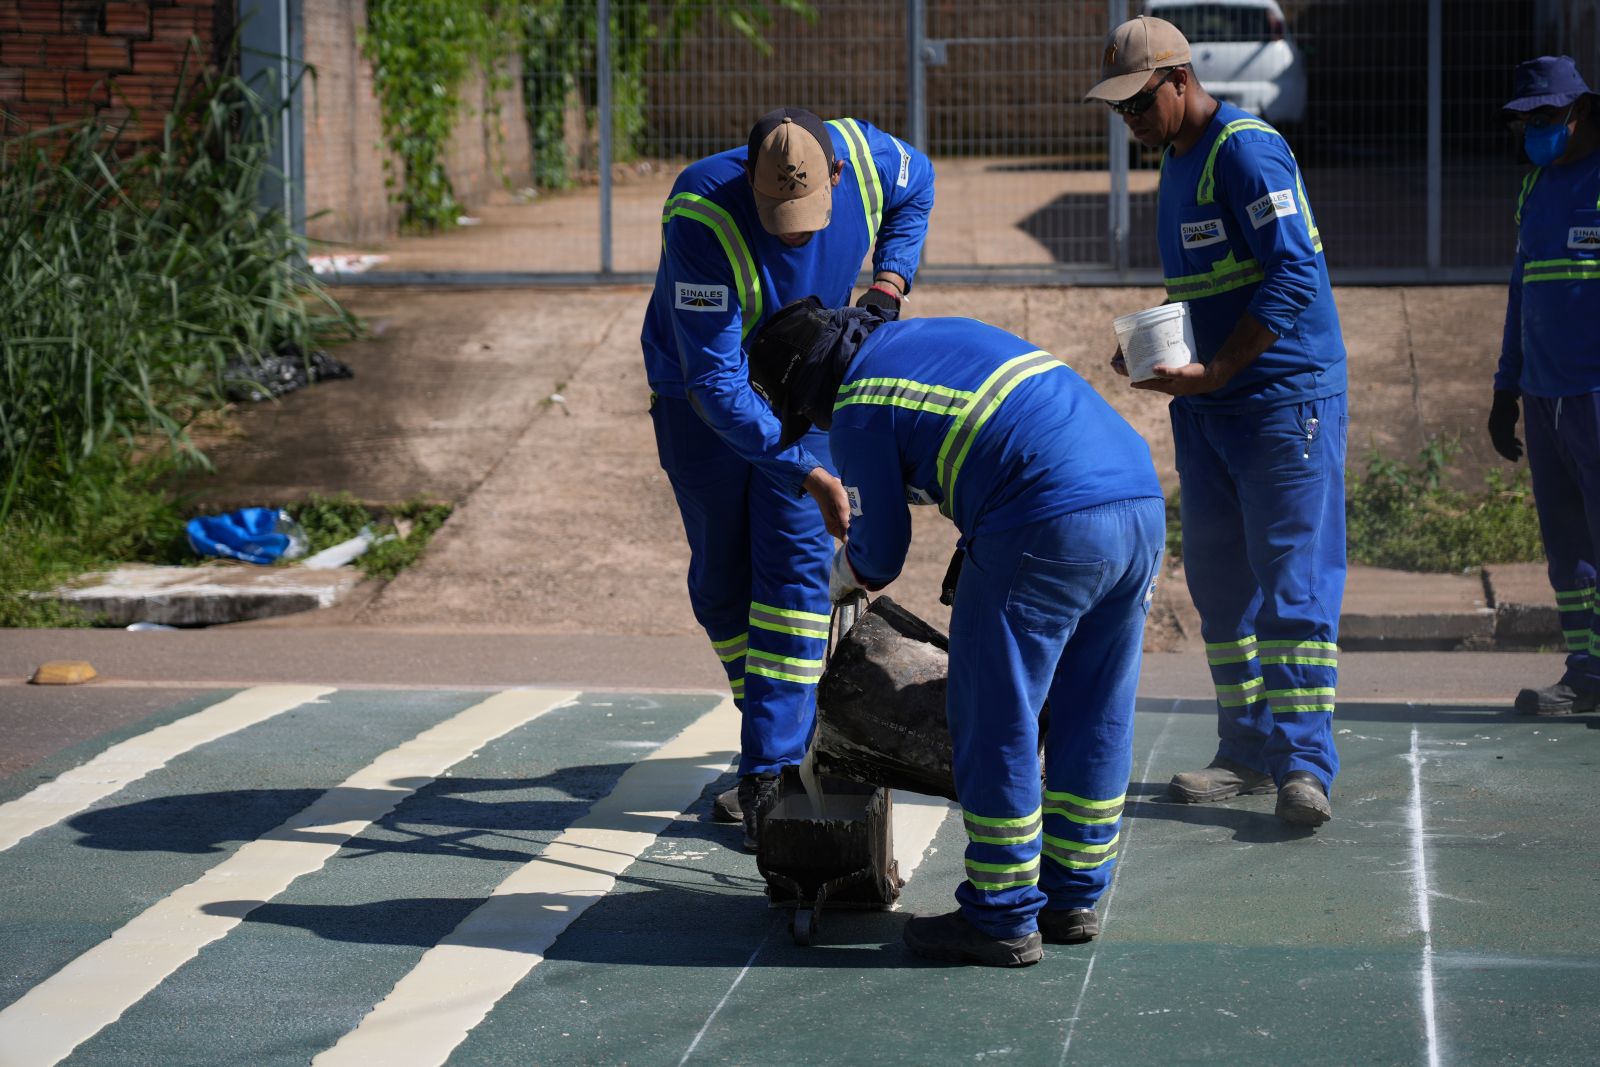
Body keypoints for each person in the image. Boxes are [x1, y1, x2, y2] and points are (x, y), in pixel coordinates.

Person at [747, 299, 1165, 968]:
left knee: (995, 716)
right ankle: (1072, 895)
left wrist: (840, 576)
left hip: (1044, 517)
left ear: (808, 383)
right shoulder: (931, 338)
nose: (822, 423)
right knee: (1095, 709)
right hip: (1138, 504)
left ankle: (1000, 915)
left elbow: (880, 554)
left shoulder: (858, 398)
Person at [641, 107, 935, 849]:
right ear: (749, 180)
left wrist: (889, 282)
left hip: (807, 389)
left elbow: (919, 183)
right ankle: (773, 719)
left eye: (808, 216)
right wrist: (803, 467)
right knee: (720, 584)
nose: (795, 232)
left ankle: (772, 766)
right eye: (779, 216)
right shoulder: (701, 214)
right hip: (701, 402)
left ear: (836, 174)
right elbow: (714, 380)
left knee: (794, 580)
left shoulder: (867, 158)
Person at [1085, 15, 1348, 827]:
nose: (1129, 122)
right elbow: (1209, 287)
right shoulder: (1176, 160)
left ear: (1180, 81)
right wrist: (1154, 350)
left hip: (1279, 402)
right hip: (1210, 407)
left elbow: (1294, 267)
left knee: (1292, 584)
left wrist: (1224, 367)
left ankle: (1305, 765)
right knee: (1220, 587)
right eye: (1119, 111)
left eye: (1138, 105)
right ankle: (1245, 748)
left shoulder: (1245, 151)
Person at [1490, 56, 1600, 716]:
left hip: (1594, 392)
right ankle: (1587, 669)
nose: (1534, 129)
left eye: (1546, 117)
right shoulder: (1535, 189)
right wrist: (1506, 388)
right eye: (1526, 120)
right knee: (1568, 545)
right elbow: (1519, 294)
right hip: (1543, 393)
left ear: (1580, 113)